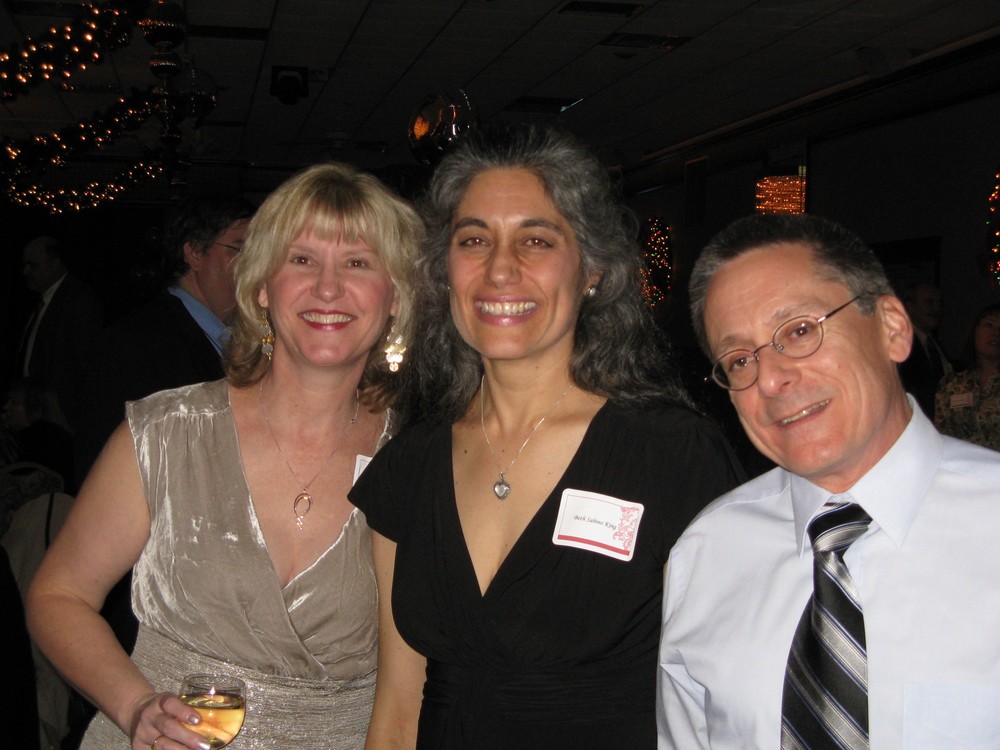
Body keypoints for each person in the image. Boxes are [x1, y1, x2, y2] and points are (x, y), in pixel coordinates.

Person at [349, 123, 744, 750]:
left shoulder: (672, 455)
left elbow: (731, 695)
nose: (500, 269)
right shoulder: (410, 464)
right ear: (444, 270)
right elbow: (397, 714)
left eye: (535, 240)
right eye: (474, 240)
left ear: (592, 270)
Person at [26, 162, 422, 750]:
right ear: (262, 286)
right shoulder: (166, 433)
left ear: (395, 297)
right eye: (302, 259)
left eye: (359, 263)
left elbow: (417, 681)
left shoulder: (419, 463)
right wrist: (135, 707)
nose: (328, 287)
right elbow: (59, 596)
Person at [658, 214, 1000, 748]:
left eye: (799, 331)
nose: (771, 379)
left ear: (891, 327)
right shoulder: (707, 553)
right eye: (740, 359)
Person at [74, 193, 256, 485]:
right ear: (195, 253)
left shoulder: (247, 339)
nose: (255, 264)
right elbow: (102, 468)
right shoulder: (132, 344)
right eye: (240, 248)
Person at [15, 236, 103, 432]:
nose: (26, 271)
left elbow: (84, 362)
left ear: (55, 263)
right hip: (37, 411)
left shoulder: (77, 300)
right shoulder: (42, 301)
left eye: (33, 265)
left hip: (59, 415)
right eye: (25, 265)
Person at [934, 302, 1000, 450]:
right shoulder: (952, 384)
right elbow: (942, 435)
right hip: (958, 462)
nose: (996, 332)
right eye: (989, 325)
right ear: (975, 332)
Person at [898, 281, 953, 416]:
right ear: (910, 307)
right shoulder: (901, 344)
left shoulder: (935, 344)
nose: (936, 309)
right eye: (929, 303)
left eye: (939, 304)